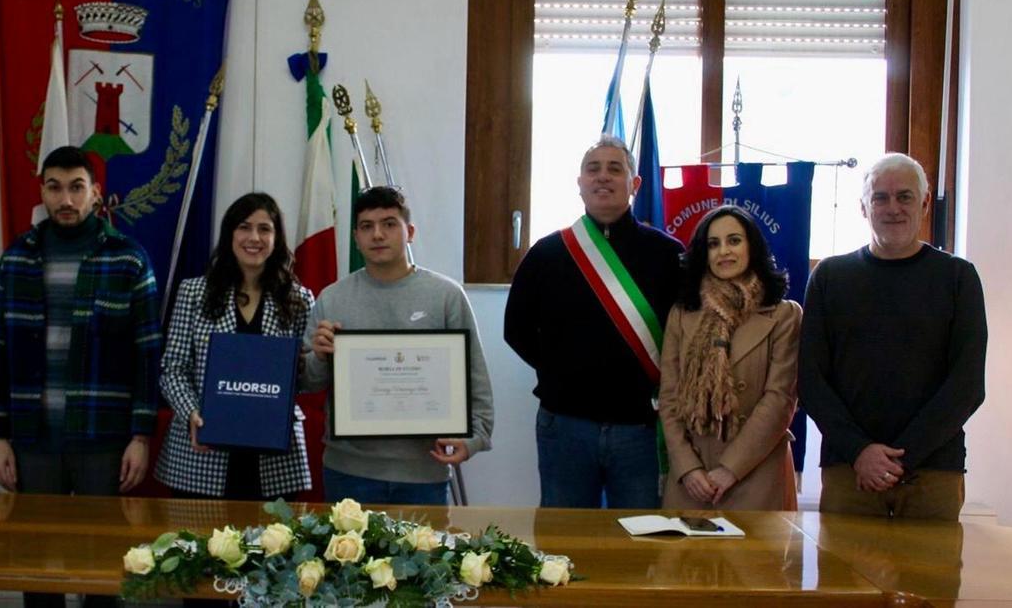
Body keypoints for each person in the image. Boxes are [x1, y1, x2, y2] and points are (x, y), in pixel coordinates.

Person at [799, 153, 987, 521]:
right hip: (849, 470)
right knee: (842, 579)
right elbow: (811, 380)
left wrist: (901, 457)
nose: (893, 207)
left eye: (904, 196)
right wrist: (860, 451)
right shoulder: (829, 278)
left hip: (933, 472)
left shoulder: (958, 278)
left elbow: (967, 385)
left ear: (925, 203)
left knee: (929, 580)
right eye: (880, 197)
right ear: (863, 207)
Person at [504, 135, 683, 509]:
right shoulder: (547, 253)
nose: (603, 177)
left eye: (615, 169)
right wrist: (564, 373)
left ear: (635, 184)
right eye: (593, 169)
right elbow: (516, 329)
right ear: (580, 183)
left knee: (640, 542)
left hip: (641, 427)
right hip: (565, 425)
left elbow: (688, 335)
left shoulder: (668, 254)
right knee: (562, 546)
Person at [0, 146, 161, 499]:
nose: (66, 198)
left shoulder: (128, 258)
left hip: (103, 437)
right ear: (42, 193)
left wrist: (140, 438)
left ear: (95, 193)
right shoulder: (17, 258)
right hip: (32, 437)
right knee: (34, 546)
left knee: (99, 547)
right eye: (54, 187)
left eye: (76, 187)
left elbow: (148, 354)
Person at [304, 186, 494, 505]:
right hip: (348, 471)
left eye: (389, 223)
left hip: (423, 473)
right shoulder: (332, 298)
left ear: (410, 232)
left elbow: (475, 374)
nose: (378, 234)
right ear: (356, 237)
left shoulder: (445, 295)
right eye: (367, 226)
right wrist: (321, 356)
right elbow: (308, 383)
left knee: (427, 555)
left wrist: (477, 437)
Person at [155, 192, 314, 500]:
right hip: (201, 452)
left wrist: (321, 355)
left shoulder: (299, 300)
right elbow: (172, 369)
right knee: (199, 547)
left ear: (277, 237)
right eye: (244, 227)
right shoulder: (193, 292)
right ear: (229, 234)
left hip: (274, 458)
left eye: (265, 229)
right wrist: (192, 413)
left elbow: (305, 379)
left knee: (270, 547)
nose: (254, 237)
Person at [658, 206, 800, 511]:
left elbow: (779, 400)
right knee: (682, 559)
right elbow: (669, 398)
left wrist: (730, 469)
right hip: (692, 480)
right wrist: (687, 467)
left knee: (753, 560)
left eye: (734, 240)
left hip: (756, 473)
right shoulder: (682, 314)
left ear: (752, 247)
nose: (724, 251)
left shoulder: (785, 314)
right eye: (713, 243)